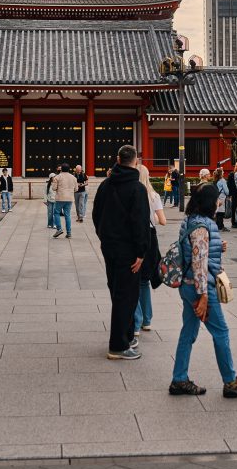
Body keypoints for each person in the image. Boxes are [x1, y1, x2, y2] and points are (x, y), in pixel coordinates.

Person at [169, 183, 237, 398]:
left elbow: (196, 252)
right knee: (221, 332)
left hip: (187, 285)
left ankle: (179, 379)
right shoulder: (202, 227)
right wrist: (203, 296)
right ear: (210, 202)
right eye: (217, 198)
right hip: (201, 288)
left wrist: (217, 246)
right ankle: (231, 381)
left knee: (188, 332)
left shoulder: (190, 220)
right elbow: (199, 264)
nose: (219, 201)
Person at [92, 144, 150, 360]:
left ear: (118, 160)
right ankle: (118, 345)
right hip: (129, 250)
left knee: (117, 290)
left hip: (109, 246)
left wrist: (104, 237)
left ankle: (127, 336)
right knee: (126, 295)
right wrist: (141, 252)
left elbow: (96, 214)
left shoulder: (105, 185)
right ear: (135, 162)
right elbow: (140, 223)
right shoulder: (137, 189)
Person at [134, 164, 166, 336]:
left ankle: (136, 321)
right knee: (144, 281)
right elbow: (163, 221)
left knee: (133, 281)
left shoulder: (132, 193)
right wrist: (152, 216)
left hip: (135, 237)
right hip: (151, 238)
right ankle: (147, 320)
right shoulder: (154, 196)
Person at [52, 163, 78, 239]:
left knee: (56, 213)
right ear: (69, 169)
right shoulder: (73, 178)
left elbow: (54, 188)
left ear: (61, 169)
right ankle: (69, 233)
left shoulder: (57, 177)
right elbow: (76, 189)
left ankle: (59, 229)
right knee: (67, 215)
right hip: (69, 198)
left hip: (60, 198)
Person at [214, 168, 230, 232]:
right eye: (223, 172)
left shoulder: (215, 180)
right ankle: (220, 226)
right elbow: (227, 191)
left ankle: (218, 225)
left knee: (218, 211)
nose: (223, 173)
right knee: (221, 212)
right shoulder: (222, 180)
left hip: (216, 197)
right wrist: (228, 193)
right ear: (221, 174)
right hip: (222, 197)